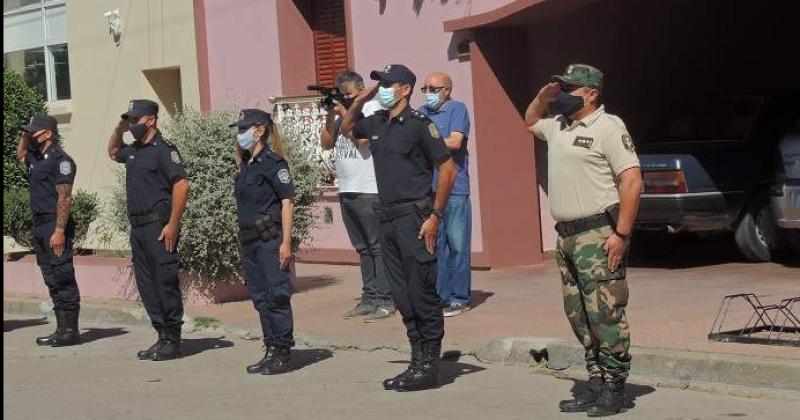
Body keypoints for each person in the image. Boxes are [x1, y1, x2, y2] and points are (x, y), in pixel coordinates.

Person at [524, 64, 642, 417]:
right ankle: (596, 380)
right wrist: (542, 98)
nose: (562, 94)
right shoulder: (559, 126)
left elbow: (632, 182)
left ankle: (616, 387)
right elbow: (530, 121)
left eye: (570, 89)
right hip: (568, 237)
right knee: (578, 314)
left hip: (598, 234)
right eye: (561, 87)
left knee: (604, 312)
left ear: (591, 94)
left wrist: (621, 234)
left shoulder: (608, 127)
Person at [341, 64, 457, 391]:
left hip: (415, 218)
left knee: (421, 293)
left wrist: (436, 215)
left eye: (388, 84)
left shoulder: (420, 126)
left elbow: (448, 171)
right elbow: (347, 129)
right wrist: (361, 99)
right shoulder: (377, 122)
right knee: (402, 295)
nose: (383, 88)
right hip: (386, 218)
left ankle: (428, 367)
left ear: (405, 89)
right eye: (380, 84)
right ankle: (415, 362)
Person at [107, 99, 191, 361]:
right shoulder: (134, 150)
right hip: (139, 227)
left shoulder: (163, 150)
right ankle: (161, 335)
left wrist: (173, 225)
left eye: (135, 120)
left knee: (164, 281)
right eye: (129, 120)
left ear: (151, 120)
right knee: (147, 283)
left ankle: (173, 340)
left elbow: (181, 186)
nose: (132, 125)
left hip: (159, 225)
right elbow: (112, 151)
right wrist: (119, 128)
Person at [320, 71, 396, 322]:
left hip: (368, 187)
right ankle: (369, 297)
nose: (347, 98)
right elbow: (327, 144)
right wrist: (332, 114)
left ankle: (385, 299)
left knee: (377, 247)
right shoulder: (342, 113)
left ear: (361, 90)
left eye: (351, 94)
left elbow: (363, 142)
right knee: (362, 248)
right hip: (347, 188)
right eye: (343, 95)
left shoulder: (373, 110)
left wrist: (347, 116)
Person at [230, 109, 296, 375]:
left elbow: (287, 203)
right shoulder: (245, 166)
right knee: (260, 297)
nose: (240, 134)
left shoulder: (274, 163)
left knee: (276, 295)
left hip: (270, 240)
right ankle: (270, 347)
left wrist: (286, 243)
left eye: (244, 129)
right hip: (249, 242)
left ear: (259, 130)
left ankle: (282, 350)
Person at [16, 114, 81, 346]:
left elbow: (64, 198)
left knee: (62, 276)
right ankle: (61, 328)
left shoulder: (61, 160)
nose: (30, 135)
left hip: (55, 224)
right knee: (51, 278)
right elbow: (21, 155)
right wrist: (25, 135)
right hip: (39, 224)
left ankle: (70, 331)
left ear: (48, 134)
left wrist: (59, 231)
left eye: (34, 132)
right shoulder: (36, 157)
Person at [418, 72, 472, 317]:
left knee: (458, 245)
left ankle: (460, 297)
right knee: (437, 245)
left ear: (447, 90)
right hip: (430, 190)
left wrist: (426, 140)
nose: (428, 92)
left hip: (455, 189)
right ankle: (442, 295)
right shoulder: (421, 112)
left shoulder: (457, 109)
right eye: (425, 87)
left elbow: (455, 141)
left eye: (434, 88)